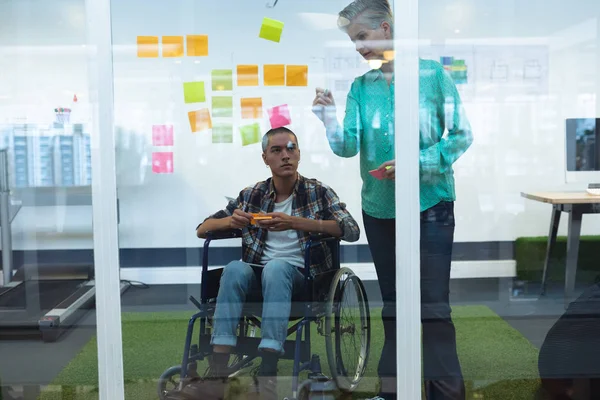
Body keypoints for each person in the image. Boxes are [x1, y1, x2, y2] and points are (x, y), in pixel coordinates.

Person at [312, 1, 473, 399]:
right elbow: (347, 147)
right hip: (380, 209)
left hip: (431, 204)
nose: (358, 48)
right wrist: (328, 117)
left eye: (363, 37)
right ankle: (394, 390)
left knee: (433, 305)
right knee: (394, 305)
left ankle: (445, 393)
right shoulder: (360, 88)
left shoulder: (432, 76)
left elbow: (461, 135)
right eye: (353, 41)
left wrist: (417, 162)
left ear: (386, 26)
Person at [176, 127, 360, 400]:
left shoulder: (317, 191)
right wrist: (231, 221)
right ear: (265, 158)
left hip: (303, 281)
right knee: (234, 268)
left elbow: (351, 230)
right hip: (257, 281)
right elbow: (203, 229)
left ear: (299, 154)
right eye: (277, 150)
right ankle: (217, 373)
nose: (285, 155)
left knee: (276, 268)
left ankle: (268, 374)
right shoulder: (252, 195)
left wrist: (296, 223)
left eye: (291, 149)